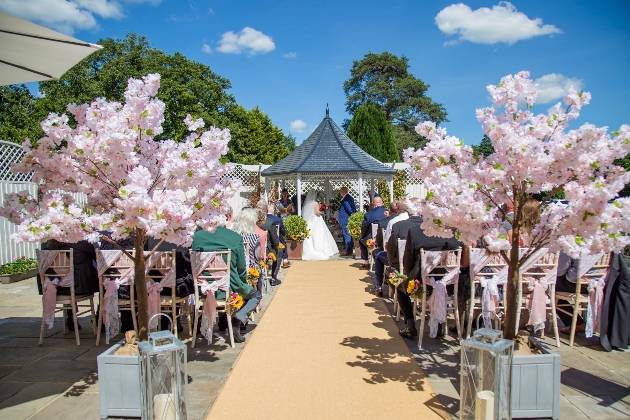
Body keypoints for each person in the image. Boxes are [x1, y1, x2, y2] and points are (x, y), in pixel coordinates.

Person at [191, 225, 261, 343]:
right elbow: (241, 268)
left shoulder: (196, 237)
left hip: (202, 290)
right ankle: (237, 320)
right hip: (229, 287)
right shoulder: (234, 237)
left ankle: (199, 326)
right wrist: (243, 283)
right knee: (256, 295)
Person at [399, 225, 468, 338]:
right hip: (449, 285)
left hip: (423, 282)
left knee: (401, 289)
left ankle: (411, 325)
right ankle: (439, 325)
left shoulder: (415, 231)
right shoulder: (455, 232)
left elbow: (408, 261)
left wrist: (412, 277)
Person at [38, 239, 99, 331]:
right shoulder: (81, 242)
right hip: (80, 287)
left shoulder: (46, 244)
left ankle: (70, 315)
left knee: (68, 277)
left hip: (56, 287)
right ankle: (101, 318)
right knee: (102, 280)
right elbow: (98, 258)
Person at [301, 190, 339, 261]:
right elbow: (317, 213)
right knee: (319, 234)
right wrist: (323, 211)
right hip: (316, 220)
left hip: (310, 221)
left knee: (311, 235)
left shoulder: (308, 203)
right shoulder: (315, 203)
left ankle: (310, 247)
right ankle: (320, 248)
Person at [256, 201, 281, 286]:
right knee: (279, 250)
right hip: (265, 251)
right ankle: (273, 277)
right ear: (266, 210)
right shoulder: (270, 222)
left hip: (251, 251)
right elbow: (276, 242)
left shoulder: (251, 221)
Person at [358, 196, 387, 269]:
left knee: (361, 240)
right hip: (387, 238)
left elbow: (364, 227)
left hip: (373, 239)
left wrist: (362, 235)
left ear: (373, 204)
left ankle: (366, 262)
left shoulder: (369, 214)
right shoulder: (388, 212)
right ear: (382, 203)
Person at [338, 187, 356, 256]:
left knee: (347, 235)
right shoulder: (349, 197)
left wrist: (352, 216)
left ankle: (348, 250)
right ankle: (349, 250)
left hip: (346, 219)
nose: (340, 193)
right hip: (347, 219)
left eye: (340, 191)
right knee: (348, 235)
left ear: (343, 191)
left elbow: (349, 209)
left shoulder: (346, 199)